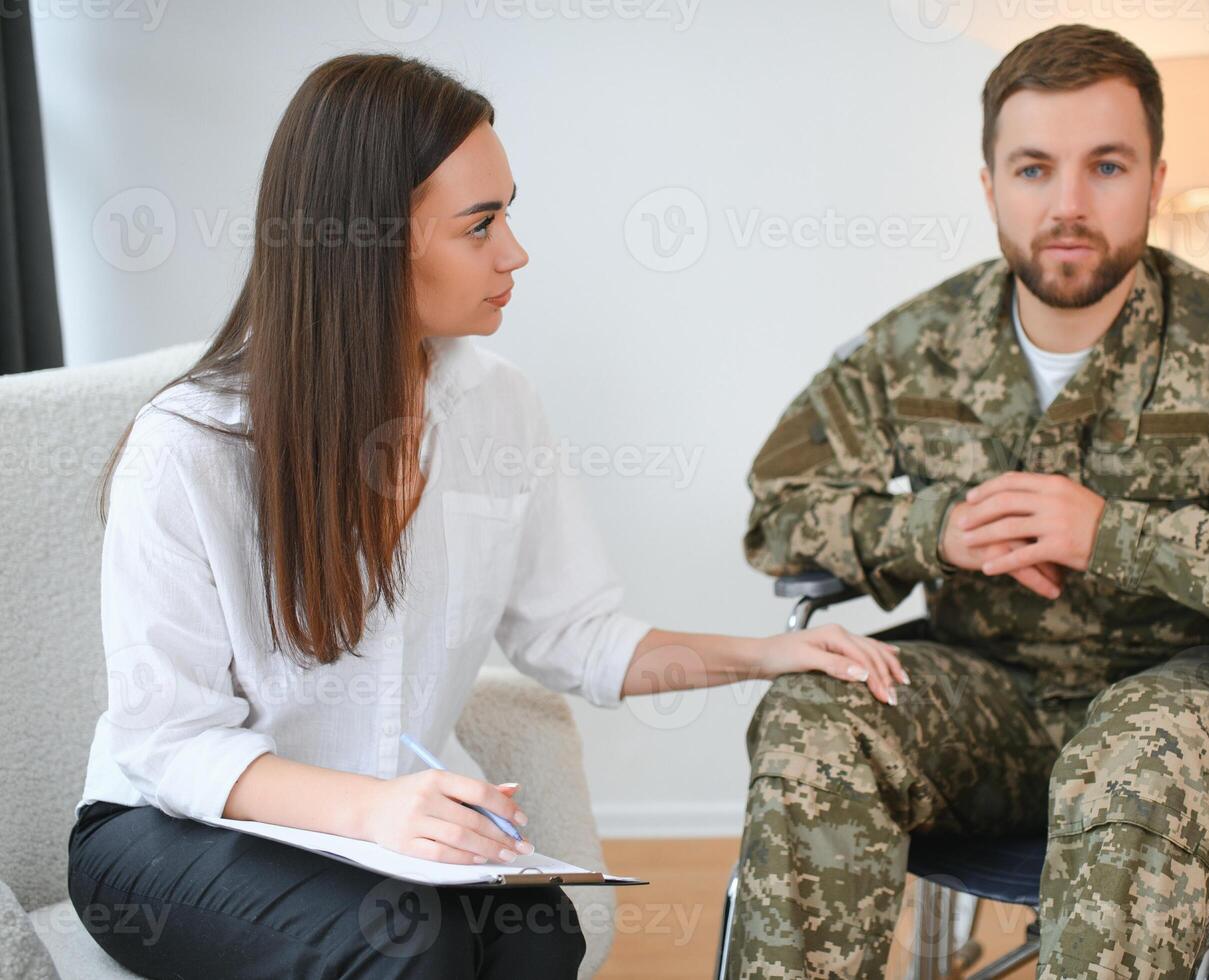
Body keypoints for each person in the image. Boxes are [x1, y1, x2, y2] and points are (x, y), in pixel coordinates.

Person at [69, 53, 904, 979]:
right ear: (372, 243)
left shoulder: (497, 407)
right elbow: (168, 743)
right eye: (481, 224)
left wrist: (765, 652)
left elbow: (573, 633)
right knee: (412, 939)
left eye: (508, 212)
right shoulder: (191, 447)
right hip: (166, 836)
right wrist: (373, 811)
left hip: (375, 833)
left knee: (539, 932)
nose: (515, 252)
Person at [727, 23, 1209, 980]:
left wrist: (1122, 536)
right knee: (810, 711)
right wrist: (930, 529)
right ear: (988, 185)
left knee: (1133, 759)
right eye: (1033, 169)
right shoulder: (913, 347)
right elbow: (775, 516)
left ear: (1157, 181)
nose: (1067, 206)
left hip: (1177, 703)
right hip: (980, 696)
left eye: (1105, 167)